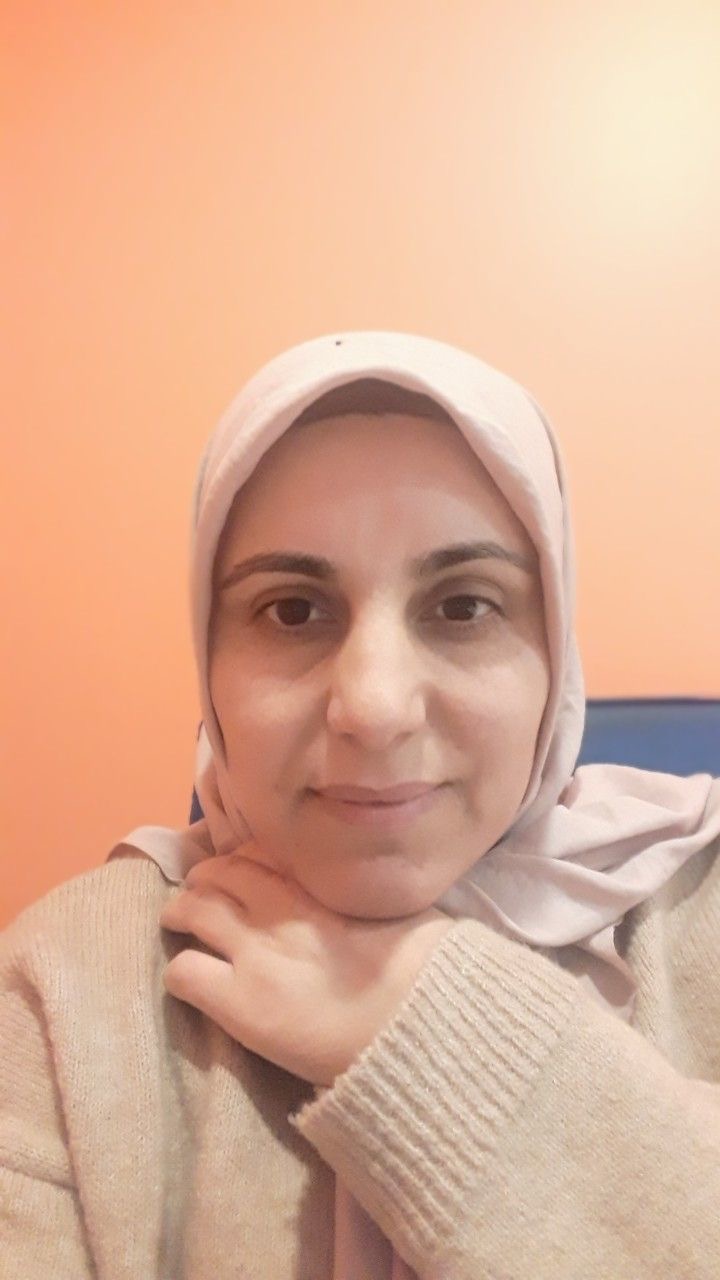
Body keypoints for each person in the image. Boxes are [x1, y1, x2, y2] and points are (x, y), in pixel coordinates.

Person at [2, 331, 720, 1279]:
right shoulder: (66, 990)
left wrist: (431, 1034)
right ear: (209, 664)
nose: (375, 709)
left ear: (555, 653)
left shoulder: (699, 907)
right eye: (293, 610)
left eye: (463, 606)